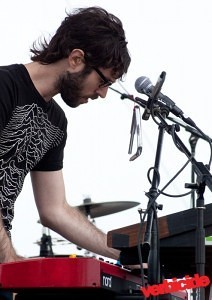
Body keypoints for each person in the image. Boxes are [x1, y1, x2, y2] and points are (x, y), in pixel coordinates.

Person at [0, 6, 131, 267]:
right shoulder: (4, 87)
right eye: (104, 81)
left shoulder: (55, 122)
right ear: (75, 59)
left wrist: (125, 256)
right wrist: (7, 256)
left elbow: (54, 209)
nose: (103, 94)